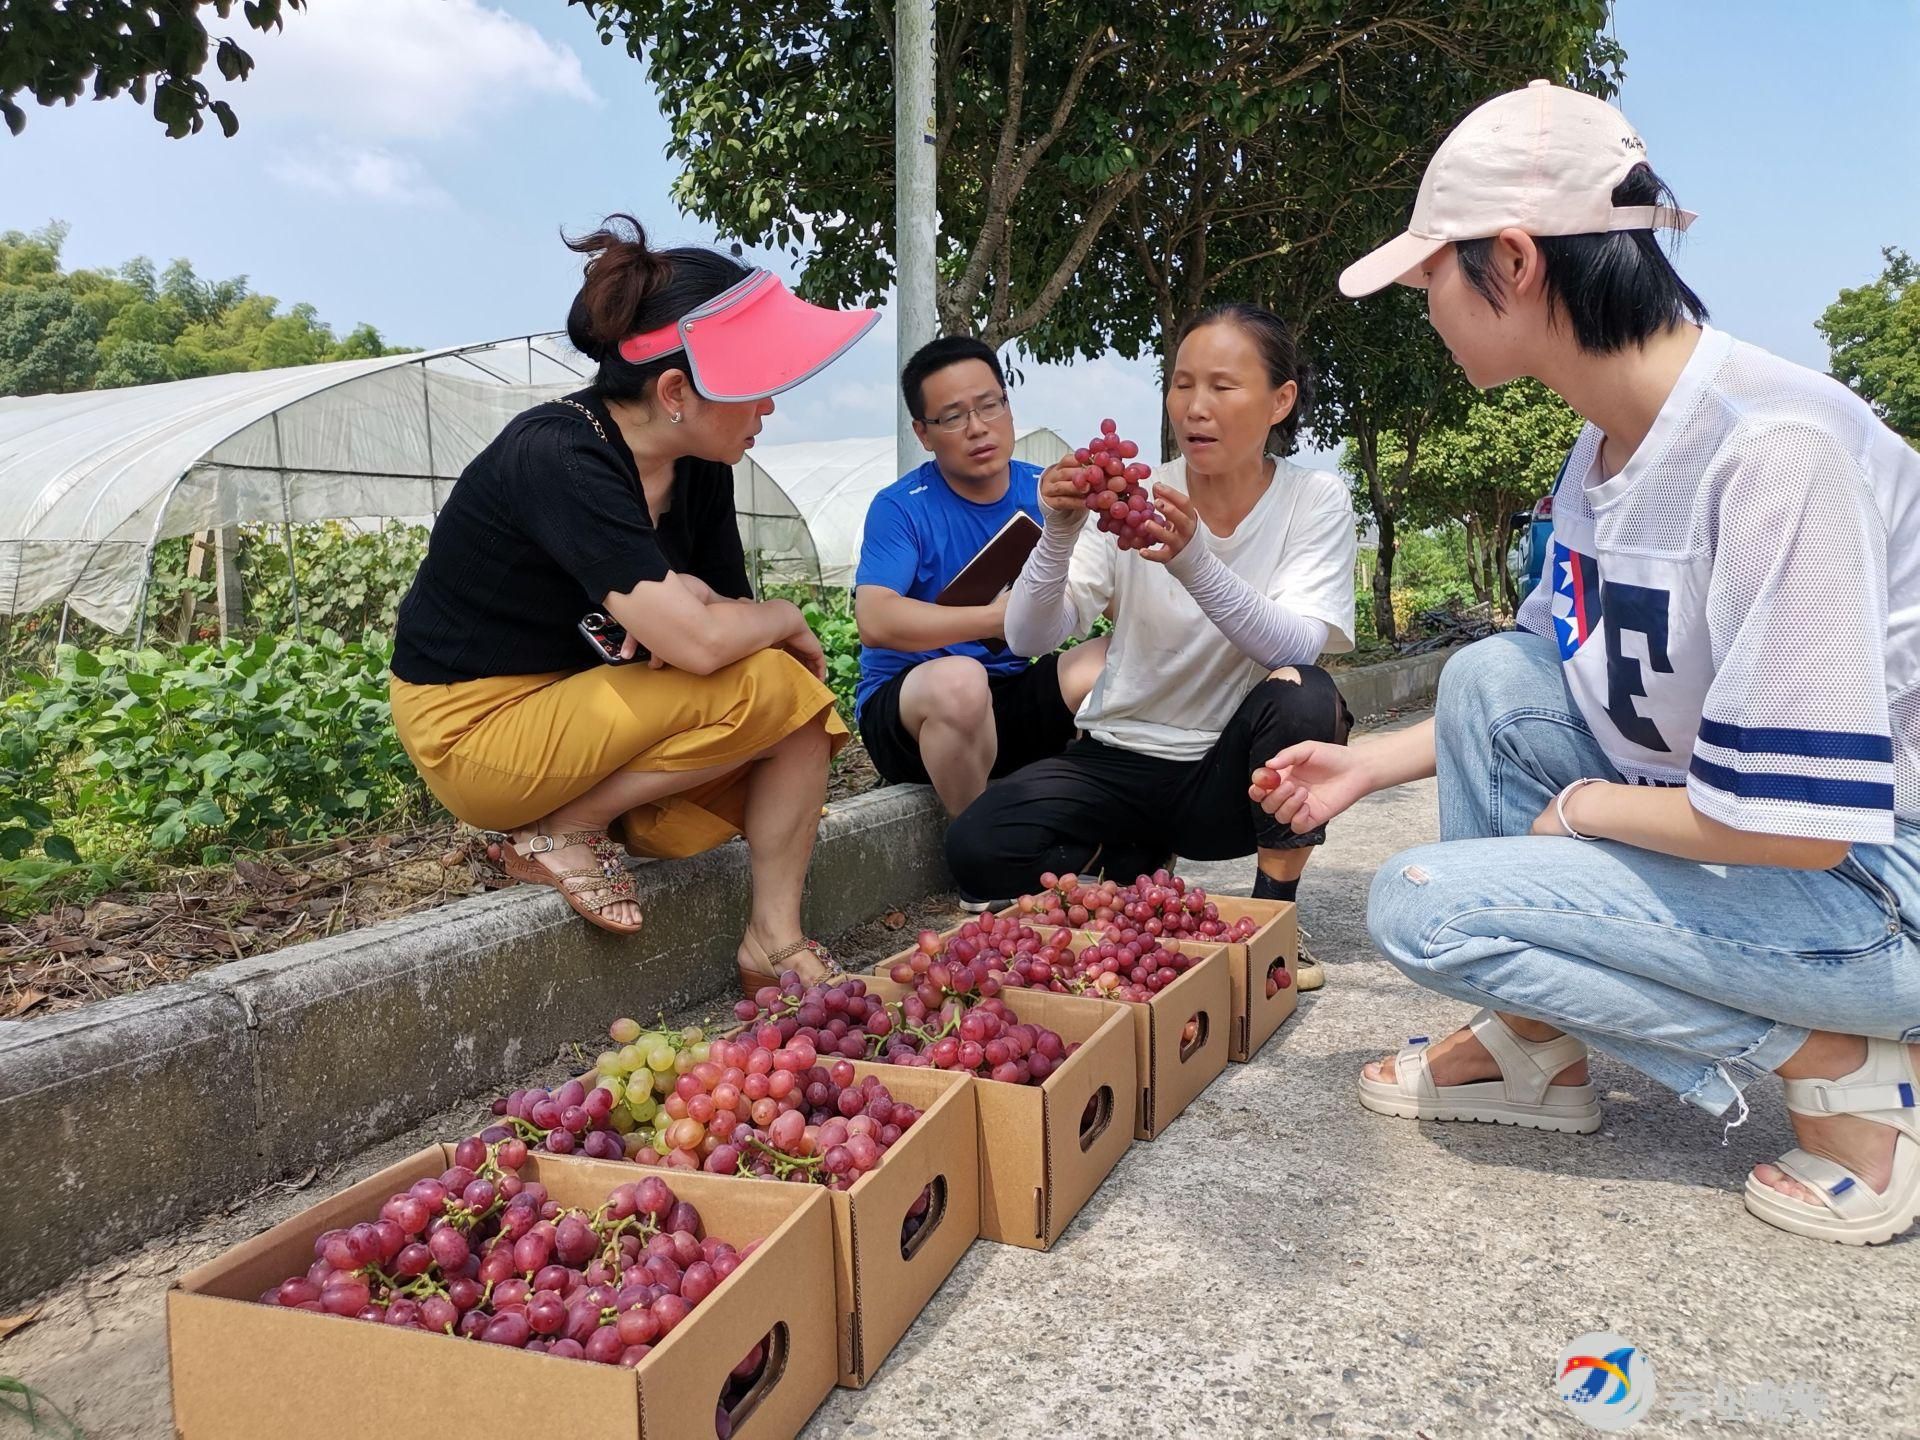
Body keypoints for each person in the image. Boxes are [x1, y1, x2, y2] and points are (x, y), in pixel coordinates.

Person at [1256, 81, 1920, 1245]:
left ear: (1512, 262)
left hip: (1877, 889)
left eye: (1430, 276)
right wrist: (1367, 766)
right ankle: (1536, 1047)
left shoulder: (1774, 450)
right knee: (1490, 679)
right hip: (1766, 843)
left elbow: (1803, 827)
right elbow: (1549, 672)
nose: (1425, 305)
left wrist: (1584, 810)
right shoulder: (1606, 444)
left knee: (1428, 911)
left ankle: (1847, 1066)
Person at [389, 215, 877, 994]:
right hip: (480, 729)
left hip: (604, 715)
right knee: (776, 681)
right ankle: (565, 824)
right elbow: (705, 641)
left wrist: (710, 620)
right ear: (676, 391)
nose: (769, 408)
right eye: (756, 387)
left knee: (799, 717)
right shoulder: (558, 454)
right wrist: (781, 617)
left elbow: (720, 622)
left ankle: (773, 940)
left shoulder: (699, 465)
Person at [946, 302, 1356, 973]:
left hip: (1229, 779)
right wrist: (1058, 533)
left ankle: (1274, 918)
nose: (1195, 407)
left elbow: (1294, 646)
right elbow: (1027, 636)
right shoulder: (1136, 495)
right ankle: (1135, 875)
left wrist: (1193, 559)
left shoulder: (1314, 499)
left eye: (1222, 386)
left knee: (1307, 695)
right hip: (1119, 756)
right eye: (1181, 383)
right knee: (976, 847)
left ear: (1280, 401)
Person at [853, 337, 1107, 835]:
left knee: (1115, 658)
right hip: (913, 714)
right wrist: (996, 618)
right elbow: (875, 619)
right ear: (923, 433)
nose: (977, 427)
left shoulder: (1047, 493)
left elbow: (1107, 588)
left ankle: (1104, 832)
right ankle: (980, 848)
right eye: (952, 416)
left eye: (990, 405)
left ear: (1008, 407)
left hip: (1008, 700)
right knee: (960, 681)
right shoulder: (902, 506)